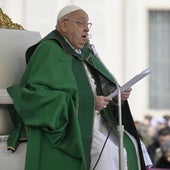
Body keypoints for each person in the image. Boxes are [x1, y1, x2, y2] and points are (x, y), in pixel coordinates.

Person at [6, 5, 147, 170]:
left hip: (99, 119)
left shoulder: (85, 52)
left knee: (134, 148)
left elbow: (96, 85)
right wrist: (89, 103)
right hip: (74, 123)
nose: (86, 29)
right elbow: (39, 95)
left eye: (88, 24)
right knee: (109, 154)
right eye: (80, 23)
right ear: (63, 26)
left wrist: (114, 95)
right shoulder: (49, 49)